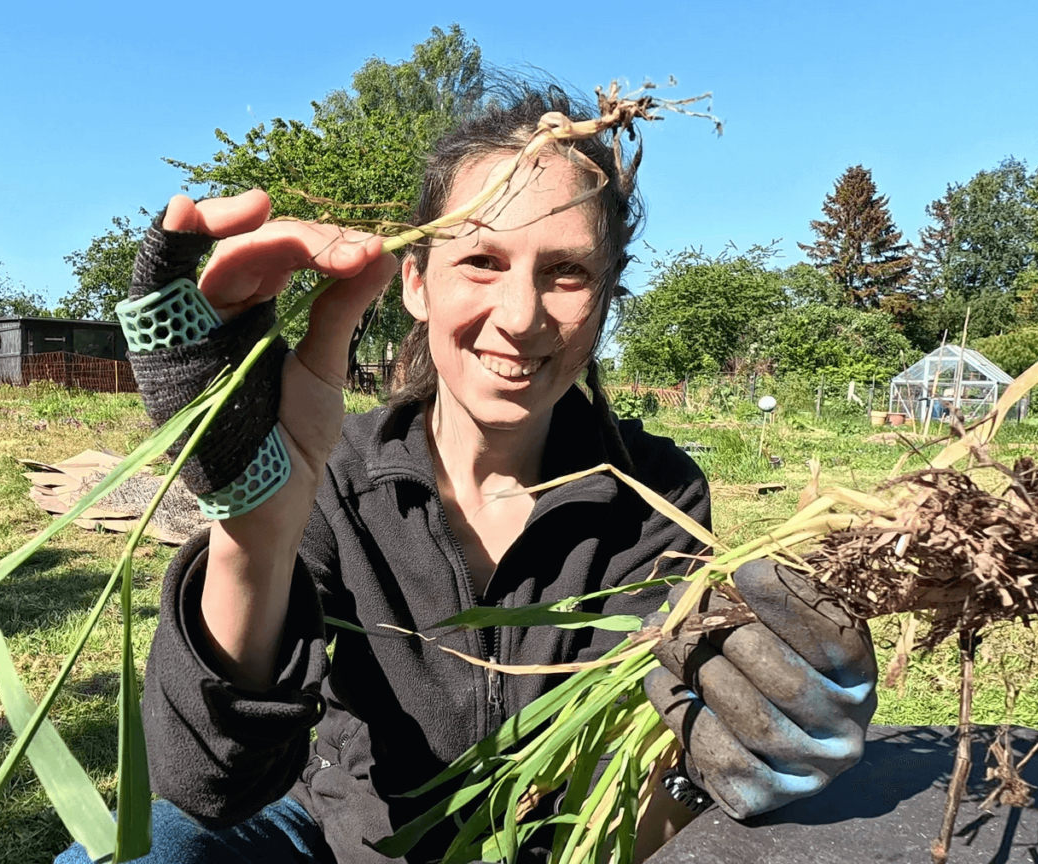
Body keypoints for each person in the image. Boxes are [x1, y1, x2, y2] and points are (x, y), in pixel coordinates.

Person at [57, 87, 876, 864]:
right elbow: (207, 785)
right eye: (482, 259)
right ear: (416, 280)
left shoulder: (653, 495)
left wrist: (750, 744)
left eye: (567, 273)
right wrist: (251, 523)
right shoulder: (335, 478)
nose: (520, 317)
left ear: (604, 301)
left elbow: (644, 773)